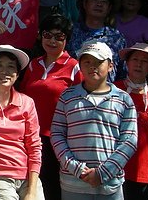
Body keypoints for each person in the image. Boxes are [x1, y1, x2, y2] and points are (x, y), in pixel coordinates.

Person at [50, 41, 137, 200]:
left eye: (98, 62)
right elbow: (57, 134)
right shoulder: (67, 97)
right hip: (73, 183)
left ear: (110, 66)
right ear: (80, 65)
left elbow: (129, 141)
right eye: (87, 62)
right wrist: (77, 169)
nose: (92, 66)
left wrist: (103, 173)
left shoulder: (124, 99)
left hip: (110, 185)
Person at [18, 14, 82, 200]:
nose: (52, 41)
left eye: (59, 36)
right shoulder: (33, 64)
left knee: (54, 184)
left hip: (59, 137)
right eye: (48, 35)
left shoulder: (74, 67)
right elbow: (22, 96)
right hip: (30, 135)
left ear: (67, 40)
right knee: (33, 183)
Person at [0, 45, 45, 200]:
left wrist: (32, 190)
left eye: (11, 67)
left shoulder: (27, 103)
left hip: (28, 177)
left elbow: (34, 145)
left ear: (17, 74)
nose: (5, 71)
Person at [114, 43, 148, 200]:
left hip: (144, 170)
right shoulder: (112, 90)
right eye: (135, 59)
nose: (138, 64)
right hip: (113, 167)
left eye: (144, 61)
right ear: (127, 63)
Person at [67, 0, 126, 81]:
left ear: (109, 8)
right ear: (85, 4)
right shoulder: (70, 32)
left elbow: (122, 73)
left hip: (107, 94)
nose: (99, 4)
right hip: (73, 92)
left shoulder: (117, 38)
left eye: (104, 1)